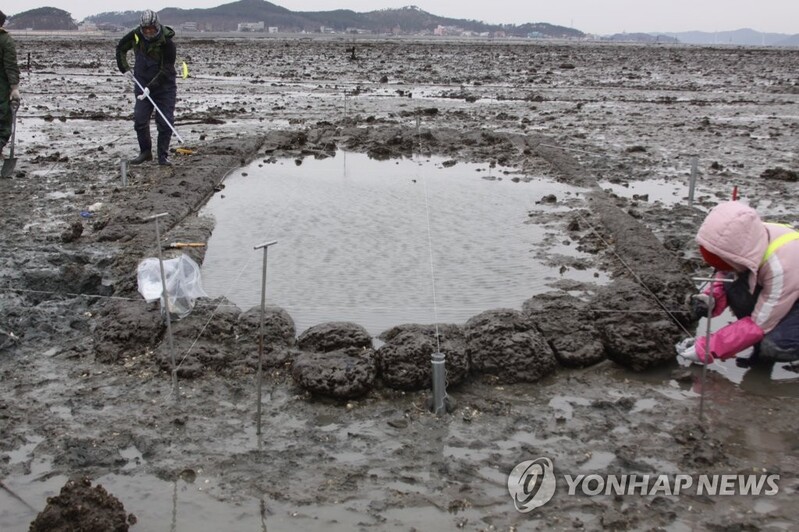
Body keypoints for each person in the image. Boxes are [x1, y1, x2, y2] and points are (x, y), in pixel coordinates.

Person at [677, 201, 799, 366]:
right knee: (736, 286)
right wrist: (713, 296)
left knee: (774, 346)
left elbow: (759, 323)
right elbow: (726, 273)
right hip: (782, 288)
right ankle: (757, 348)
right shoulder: (746, 239)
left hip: (789, 286)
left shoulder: (780, 268)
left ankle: (766, 351)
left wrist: (709, 347)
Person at [115, 10, 177, 166]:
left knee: (165, 122)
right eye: (145, 28)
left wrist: (151, 87)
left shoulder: (167, 43)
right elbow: (121, 48)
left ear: (157, 26)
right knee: (140, 120)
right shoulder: (136, 35)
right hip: (141, 84)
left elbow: (167, 69)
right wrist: (125, 69)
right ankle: (145, 152)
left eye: (151, 28)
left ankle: (163, 156)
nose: (148, 31)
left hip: (164, 87)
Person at [0, 10, 21, 159]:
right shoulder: (5, 40)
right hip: (1, 87)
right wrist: (14, 88)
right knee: (3, 117)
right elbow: (11, 65)